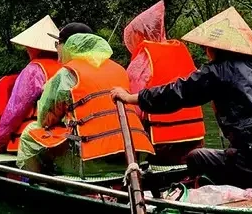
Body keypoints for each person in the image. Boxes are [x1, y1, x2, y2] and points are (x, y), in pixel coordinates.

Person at [112, 7, 252, 192]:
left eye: (206, 48)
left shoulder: (219, 71)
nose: (206, 52)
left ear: (215, 49)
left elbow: (177, 92)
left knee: (196, 157)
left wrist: (131, 97)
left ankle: (215, 189)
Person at [16, 23, 155, 175]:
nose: (57, 48)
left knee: (29, 132)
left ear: (69, 45)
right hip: (133, 156)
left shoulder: (66, 74)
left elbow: (45, 119)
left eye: (58, 43)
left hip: (92, 161)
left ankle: (37, 183)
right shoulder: (119, 69)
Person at [124, 1, 205, 164]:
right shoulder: (180, 51)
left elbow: (134, 108)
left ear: (138, 35)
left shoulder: (142, 60)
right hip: (195, 138)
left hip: (162, 141)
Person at [0, 16, 62, 154]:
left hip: (34, 139)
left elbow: (15, 110)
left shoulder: (33, 70)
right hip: (61, 136)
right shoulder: (66, 67)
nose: (26, 49)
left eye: (28, 46)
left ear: (35, 48)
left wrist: (0, 142)